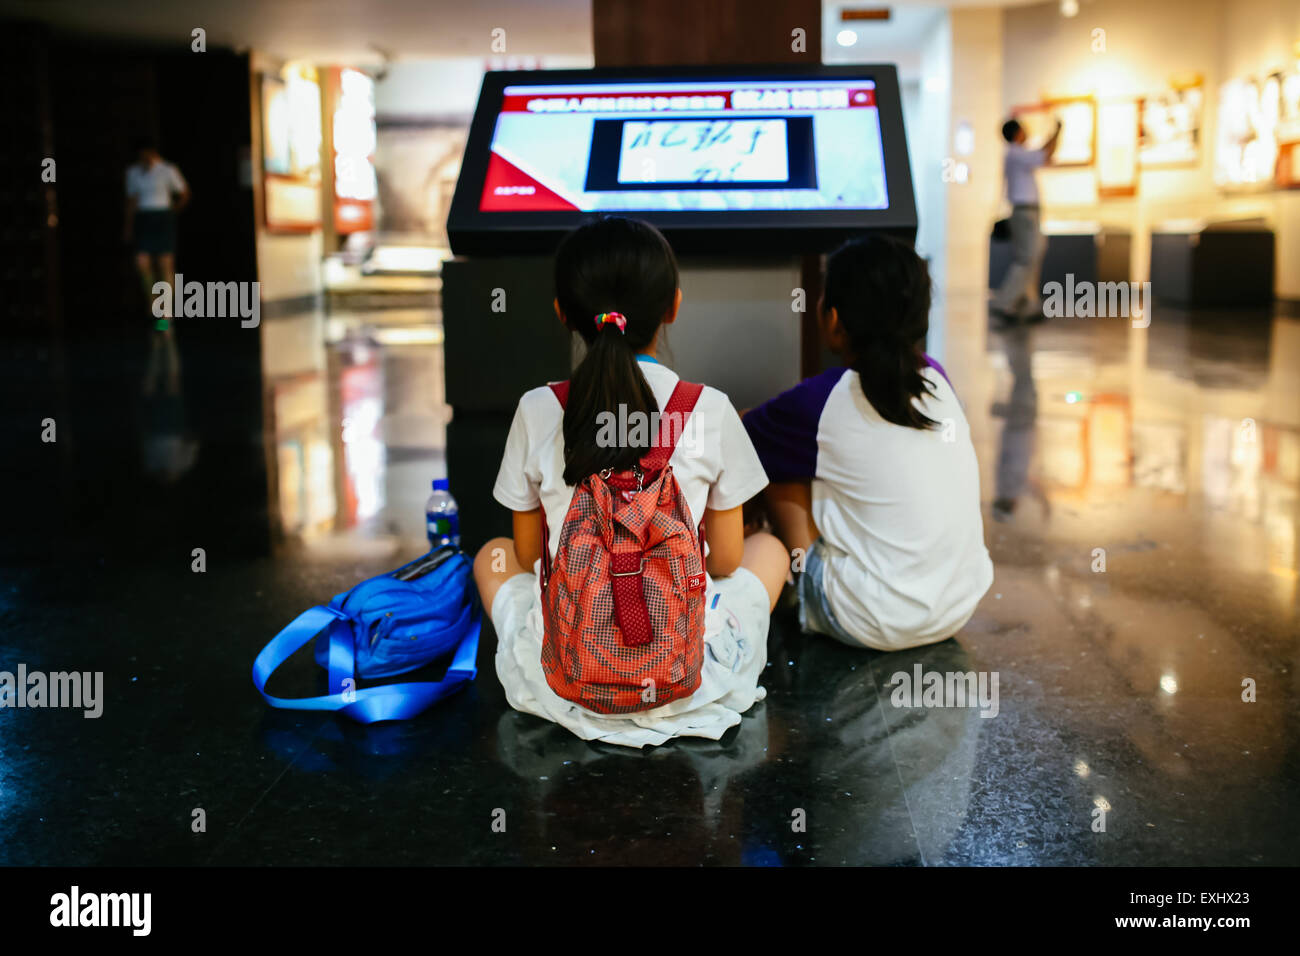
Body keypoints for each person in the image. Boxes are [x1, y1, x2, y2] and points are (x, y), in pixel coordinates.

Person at [473, 217, 788, 748]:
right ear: (674, 307)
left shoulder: (537, 408)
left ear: (562, 313)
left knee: (491, 555)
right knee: (772, 550)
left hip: (568, 677)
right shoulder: (707, 408)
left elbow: (529, 557)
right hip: (687, 675)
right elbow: (726, 563)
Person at [742, 234, 993, 651]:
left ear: (834, 320)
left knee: (778, 462)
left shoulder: (820, 402)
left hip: (868, 619)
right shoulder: (937, 377)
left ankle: (798, 585)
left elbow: (742, 435)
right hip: (957, 607)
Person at [124, 138, 189, 395]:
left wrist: (172, 211)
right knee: (143, 264)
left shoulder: (167, 170)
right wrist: (129, 226)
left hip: (161, 216)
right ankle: (155, 308)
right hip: (144, 218)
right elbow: (131, 200)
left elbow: (183, 192)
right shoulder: (133, 173)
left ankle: (166, 315)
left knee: (165, 266)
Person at [991, 116, 1061, 326]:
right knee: (1027, 258)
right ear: (1017, 133)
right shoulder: (1016, 152)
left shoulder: (1017, 154)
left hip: (1027, 212)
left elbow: (1044, 155)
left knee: (1032, 256)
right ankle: (1005, 302)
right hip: (1024, 212)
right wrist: (1057, 132)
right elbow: (1044, 153)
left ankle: (1027, 302)